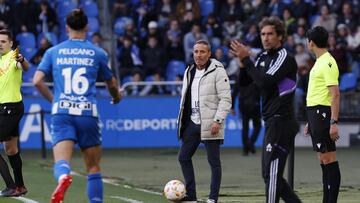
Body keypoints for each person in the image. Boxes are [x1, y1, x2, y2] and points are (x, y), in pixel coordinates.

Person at [32, 9, 122, 203]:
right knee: (93, 167)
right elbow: (112, 84)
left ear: (66, 28)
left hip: (62, 112)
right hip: (87, 112)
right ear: (87, 27)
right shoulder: (97, 52)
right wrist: (116, 97)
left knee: (62, 162)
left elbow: (37, 81)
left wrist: (54, 100)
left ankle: (64, 177)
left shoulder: (53, 51)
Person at [230, 16, 302, 203]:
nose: (266, 38)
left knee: (272, 175)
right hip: (272, 121)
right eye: (263, 34)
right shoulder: (262, 57)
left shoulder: (284, 57)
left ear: (280, 36)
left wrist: (246, 60)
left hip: (282, 120)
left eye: (270, 34)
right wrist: (241, 64)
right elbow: (246, 82)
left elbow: (264, 82)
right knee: (269, 174)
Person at [177, 40, 232, 203]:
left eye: (202, 52)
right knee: (183, 157)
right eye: (196, 52)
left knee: (214, 162)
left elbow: (226, 99)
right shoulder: (189, 71)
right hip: (192, 123)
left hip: (210, 124)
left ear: (209, 54)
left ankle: (212, 198)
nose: (198, 55)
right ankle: (191, 195)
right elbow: (185, 99)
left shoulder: (218, 71)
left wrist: (218, 120)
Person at [304, 26, 341, 203]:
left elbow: (335, 94)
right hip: (315, 113)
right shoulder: (320, 61)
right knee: (323, 160)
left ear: (311, 42)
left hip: (323, 113)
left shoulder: (327, 62)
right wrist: (310, 120)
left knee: (329, 158)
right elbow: (318, 92)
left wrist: (333, 122)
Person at [0, 29, 29, 197]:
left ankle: (11, 186)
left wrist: (22, 59)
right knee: (11, 149)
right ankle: (20, 185)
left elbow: (24, 66)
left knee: (10, 149)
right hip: (4, 108)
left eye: (3, 41)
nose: (0, 44)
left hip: (11, 108)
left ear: (10, 43)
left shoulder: (14, 56)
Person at [231, 72, 261, 156]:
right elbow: (262, 90)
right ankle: (251, 144)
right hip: (255, 105)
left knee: (245, 128)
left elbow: (234, 93)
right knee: (257, 126)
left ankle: (245, 149)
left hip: (243, 105)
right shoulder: (255, 76)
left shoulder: (240, 77)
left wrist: (232, 107)